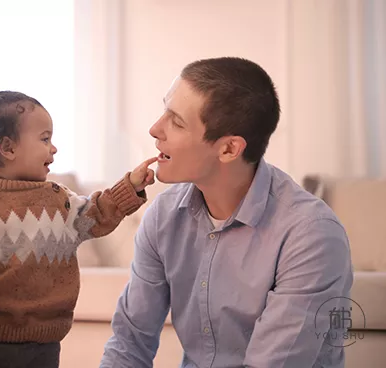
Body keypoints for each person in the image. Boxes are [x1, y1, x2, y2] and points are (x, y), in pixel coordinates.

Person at [99, 57, 353, 367]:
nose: (155, 129)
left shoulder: (311, 235)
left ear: (229, 149)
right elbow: (129, 343)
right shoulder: (163, 216)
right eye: (164, 111)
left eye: (176, 122)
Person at [0, 80, 157, 368]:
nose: (54, 148)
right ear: (7, 148)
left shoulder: (59, 200)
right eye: (44, 139)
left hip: (45, 342)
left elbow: (98, 213)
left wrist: (130, 186)